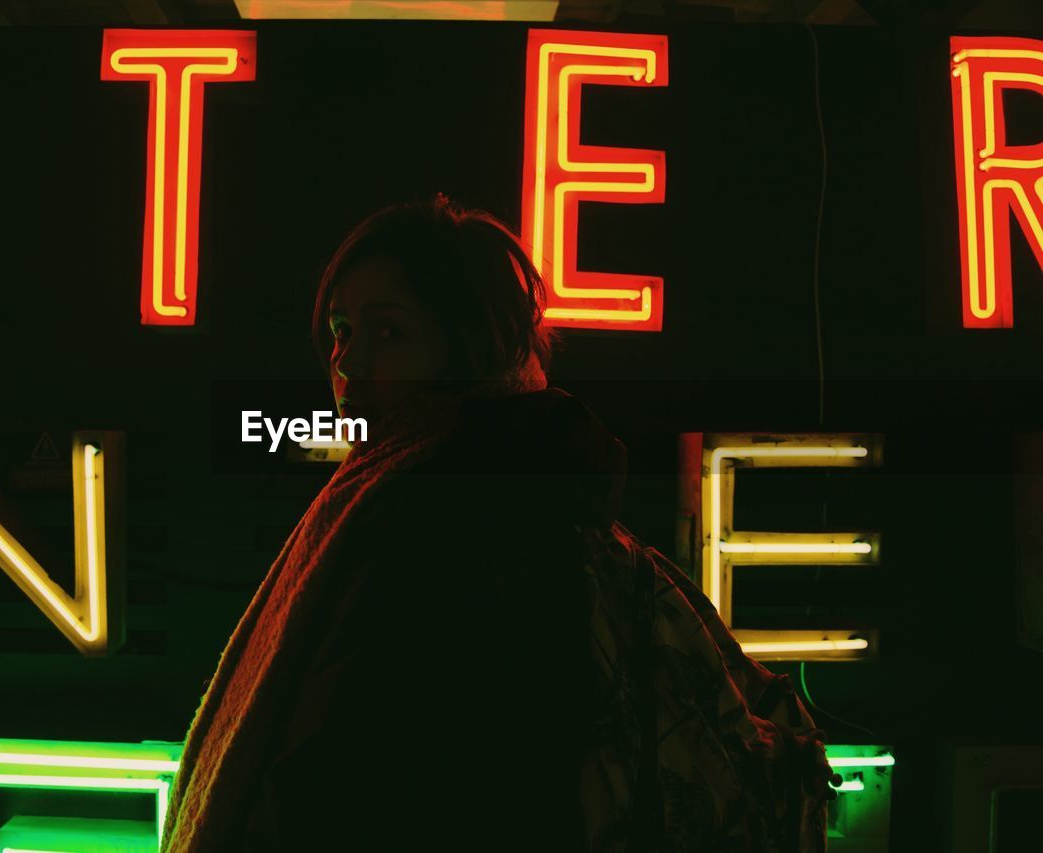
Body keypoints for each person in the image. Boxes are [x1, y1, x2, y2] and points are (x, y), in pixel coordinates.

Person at [160, 193, 836, 852]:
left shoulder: (443, 523)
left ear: (468, 343)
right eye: (342, 330)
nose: (349, 362)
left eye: (389, 330)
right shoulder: (511, 493)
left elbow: (347, 778)